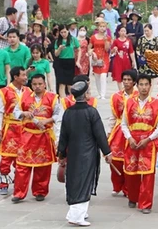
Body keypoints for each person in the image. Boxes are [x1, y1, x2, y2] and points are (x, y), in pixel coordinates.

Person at [58, 80, 112, 226]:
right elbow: (100, 134)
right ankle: (77, 216)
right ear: (85, 94)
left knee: (74, 180)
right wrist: (107, 152)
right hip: (87, 152)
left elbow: (63, 136)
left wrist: (61, 154)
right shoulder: (91, 112)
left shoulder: (68, 113)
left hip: (73, 152)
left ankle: (76, 212)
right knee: (84, 181)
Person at [11, 74, 62, 203]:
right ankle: (19, 193)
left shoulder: (53, 98)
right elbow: (15, 112)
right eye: (34, 84)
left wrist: (48, 120)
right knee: (22, 165)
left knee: (42, 166)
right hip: (27, 135)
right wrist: (23, 113)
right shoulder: (24, 96)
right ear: (31, 85)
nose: (37, 87)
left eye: (40, 84)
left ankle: (40, 191)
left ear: (45, 84)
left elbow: (58, 115)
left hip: (44, 135)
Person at [121, 74, 158, 214]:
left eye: (146, 84)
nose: (144, 87)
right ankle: (133, 197)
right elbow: (124, 124)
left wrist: (149, 139)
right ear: (137, 86)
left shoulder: (157, 104)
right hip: (132, 141)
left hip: (148, 143)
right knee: (131, 171)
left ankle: (146, 203)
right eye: (141, 84)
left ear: (150, 86)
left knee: (147, 174)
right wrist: (129, 138)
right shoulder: (128, 102)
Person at [0, 67, 29, 195]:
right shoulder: (4, 92)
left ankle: (19, 182)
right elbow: (0, 111)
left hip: (24, 128)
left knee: (22, 158)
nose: (25, 77)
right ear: (16, 77)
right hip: (10, 128)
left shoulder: (27, 91)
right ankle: (3, 183)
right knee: (6, 158)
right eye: (23, 75)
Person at [108, 70, 138, 197]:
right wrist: (109, 132)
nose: (126, 82)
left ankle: (128, 187)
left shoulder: (139, 96)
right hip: (119, 130)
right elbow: (113, 116)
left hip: (133, 130)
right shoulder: (116, 96)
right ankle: (117, 185)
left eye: (129, 80)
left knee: (130, 160)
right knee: (115, 159)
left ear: (134, 82)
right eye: (124, 79)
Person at [55, 25, 80, 98]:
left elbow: (79, 49)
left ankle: (72, 99)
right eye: (61, 32)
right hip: (61, 62)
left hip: (70, 61)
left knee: (70, 83)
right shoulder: (58, 41)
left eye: (65, 32)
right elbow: (56, 54)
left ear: (68, 31)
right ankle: (63, 101)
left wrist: (77, 60)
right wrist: (60, 49)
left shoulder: (73, 39)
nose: (63, 34)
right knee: (62, 83)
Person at [89, 18, 112, 100]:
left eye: (104, 26)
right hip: (96, 59)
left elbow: (107, 49)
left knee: (103, 75)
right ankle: (99, 93)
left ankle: (103, 94)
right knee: (97, 76)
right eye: (101, 26)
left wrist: (106, 41)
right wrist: (93, 53)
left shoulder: (108, 37)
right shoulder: (93, 37)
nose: (102, 28)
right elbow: (89, 49)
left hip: (104, 58)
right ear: (98, 27)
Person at [111, 26, 136, 90]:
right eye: (121, 31)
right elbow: (111, 52)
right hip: (118, 61)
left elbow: (131, 51)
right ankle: (120, 91)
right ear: (119, 32)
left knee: (127, 75)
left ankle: (126, 89)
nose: (123, 32)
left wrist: (133, 61)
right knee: (119, 76)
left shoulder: (128, 41)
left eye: (124, 31)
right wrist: (114, 49)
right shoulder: (116, 41)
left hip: (126, 61)